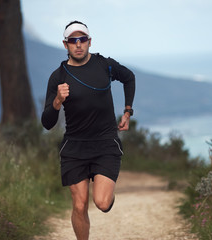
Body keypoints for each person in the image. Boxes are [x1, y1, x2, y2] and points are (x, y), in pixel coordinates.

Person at [41, 20, 135, 239]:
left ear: (89, 41)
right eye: (73, 41)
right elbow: (47, 123)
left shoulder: (105, 65)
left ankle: (107, 193)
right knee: (79, 204)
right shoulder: (58, 77)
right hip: (74, 147)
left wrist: (128, 111)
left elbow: (129, 77)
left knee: (101, 202)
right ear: (66, 45)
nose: (78, 44)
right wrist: (57, 100)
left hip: (105, 143)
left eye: (82, 39)